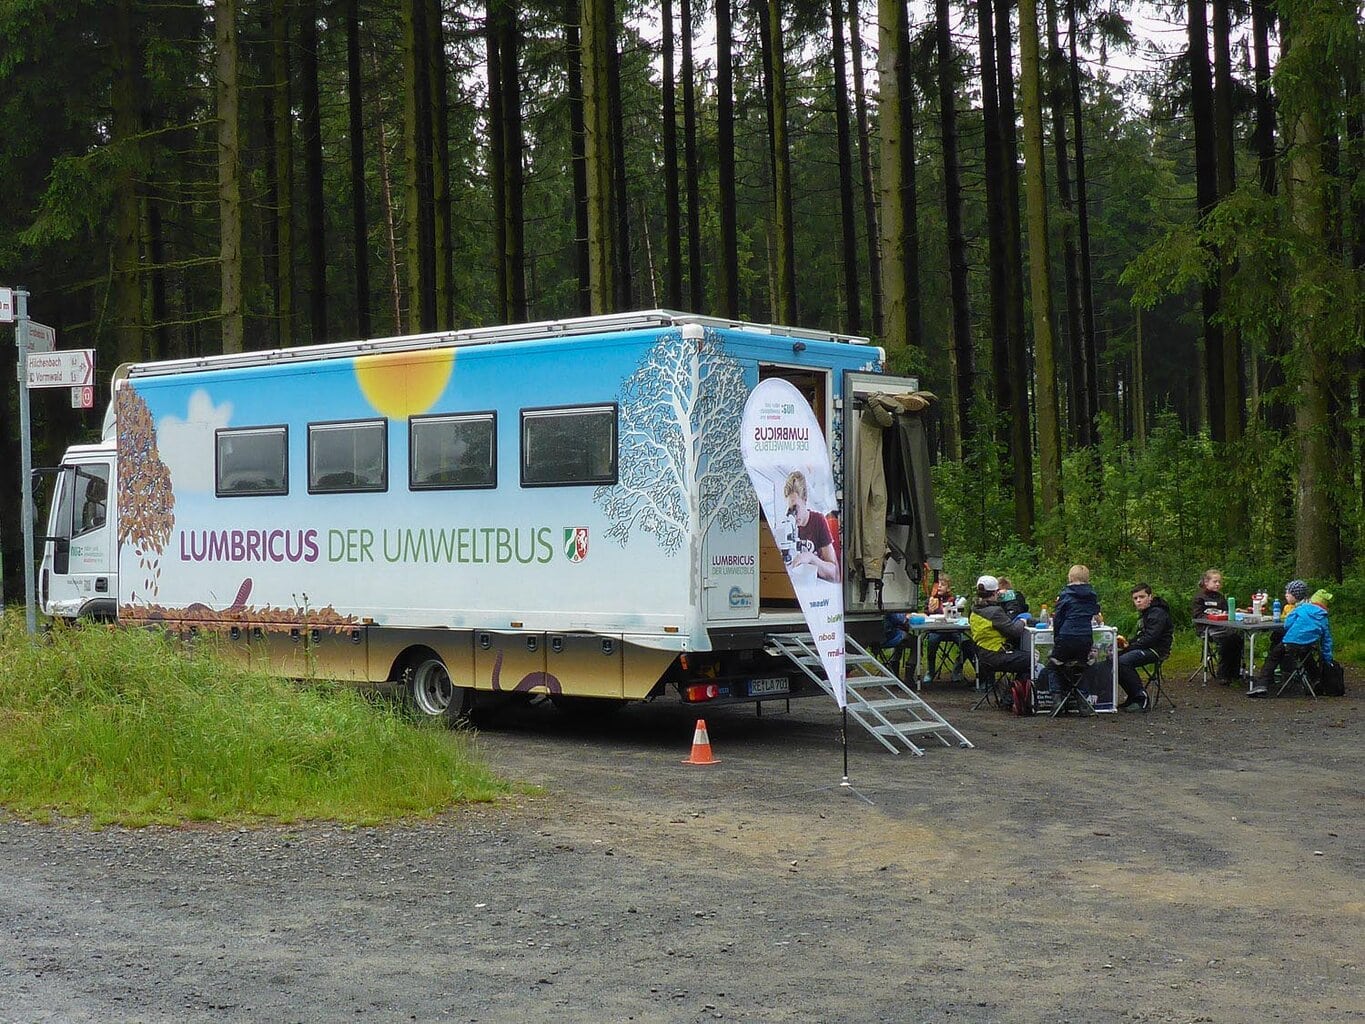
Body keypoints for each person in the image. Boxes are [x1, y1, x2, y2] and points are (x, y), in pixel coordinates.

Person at [1250, 588, 1334, 697]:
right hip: (1308, 645)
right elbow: (1326, 640)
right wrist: (1328, 659)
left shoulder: (1301, 609)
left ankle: (1262, 684)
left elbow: (1287, 624)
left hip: (1290, 642)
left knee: (1273, 657)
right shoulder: (1324, 618)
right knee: (1306, 655)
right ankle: (1316, 680)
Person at [1045, 565, 1102, 699]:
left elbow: (1058, 619)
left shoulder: (1065, 595)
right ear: (1087, 579)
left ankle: (1056, 699)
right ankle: (1083, 700)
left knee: (1054, 664)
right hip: (1085, 639)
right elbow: (1095, 612)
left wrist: (1056, 639)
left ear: (1070, 578)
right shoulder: (1092, 596)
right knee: (1081, 667)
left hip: (1067, 636)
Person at [967, 575, 1031, 690]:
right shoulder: (995, 612)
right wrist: (1022, 620)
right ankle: (1012, 695)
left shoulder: (974, 609)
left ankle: (1012, 694)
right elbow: (1015, 631)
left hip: (982, 655)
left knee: (1024, 658)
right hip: (996, 656)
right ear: (995, 593)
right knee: (1031, 659)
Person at [1116, 583, 1173, 711]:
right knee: (1113, 659)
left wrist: (1129, 647)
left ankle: (1141, 698)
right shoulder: (1146, 613)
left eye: (1142, 597)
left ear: (1150, 597)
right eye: (1135, 598)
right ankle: (1132, 696)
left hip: (1156, 650)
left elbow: (1150, 639)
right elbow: (1141, 636)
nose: (1138, 600)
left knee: (1123, 661)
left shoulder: (1157, 613)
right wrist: (1127, 644)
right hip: (1146, 647)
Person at [782, 471, 839, 583]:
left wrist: (811, 558)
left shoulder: (818, 521)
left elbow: (834, 574)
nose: (794, 514)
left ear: (805, 500)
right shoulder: (790, 525)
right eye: (790, 509)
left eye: (795, 508)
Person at [1191, 568, 1241, 681]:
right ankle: (1223, 673)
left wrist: (1234, 612)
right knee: (1227, 640)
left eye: (1219, 582)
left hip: (1223, 627)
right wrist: (1212, 617)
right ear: (1206, 582)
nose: (1218, 584)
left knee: (1237, 638)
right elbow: (1197, 616)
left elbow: (1227, 612)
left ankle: (1235, 673)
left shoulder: (1220, 597)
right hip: (1206, 628)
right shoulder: (1199, 597)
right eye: (1215, 581)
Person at [920, 575, 967, 685]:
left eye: (943, 585)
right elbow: (925, 615)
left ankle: (958, 667)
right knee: (932, 642)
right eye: (938, 585)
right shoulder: (931, 599)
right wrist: (929, 611)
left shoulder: (954, 600)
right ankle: (930, 671)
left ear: (948, 588)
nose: (940, 587)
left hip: (953, 630)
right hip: (936, 630)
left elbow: (958, 615)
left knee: (966, 643)